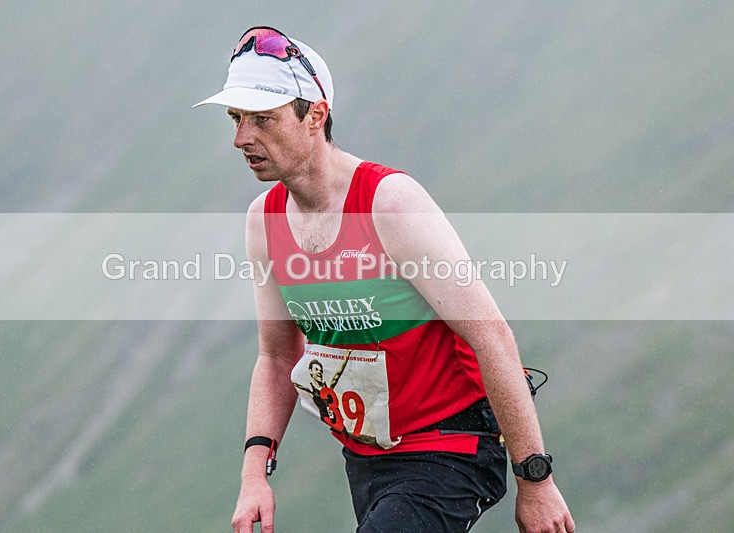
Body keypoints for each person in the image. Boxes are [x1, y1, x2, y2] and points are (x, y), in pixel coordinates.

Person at [194, 26, 575, 533]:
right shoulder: (263, 220)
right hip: (366, 458)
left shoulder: (390, 203)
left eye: (263, 119)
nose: (241, 138)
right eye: (236, 118)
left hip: (450, 447)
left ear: (315, 116)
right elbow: (277, 357)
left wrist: (535, 480)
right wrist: (253, 478)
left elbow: (492, 336)